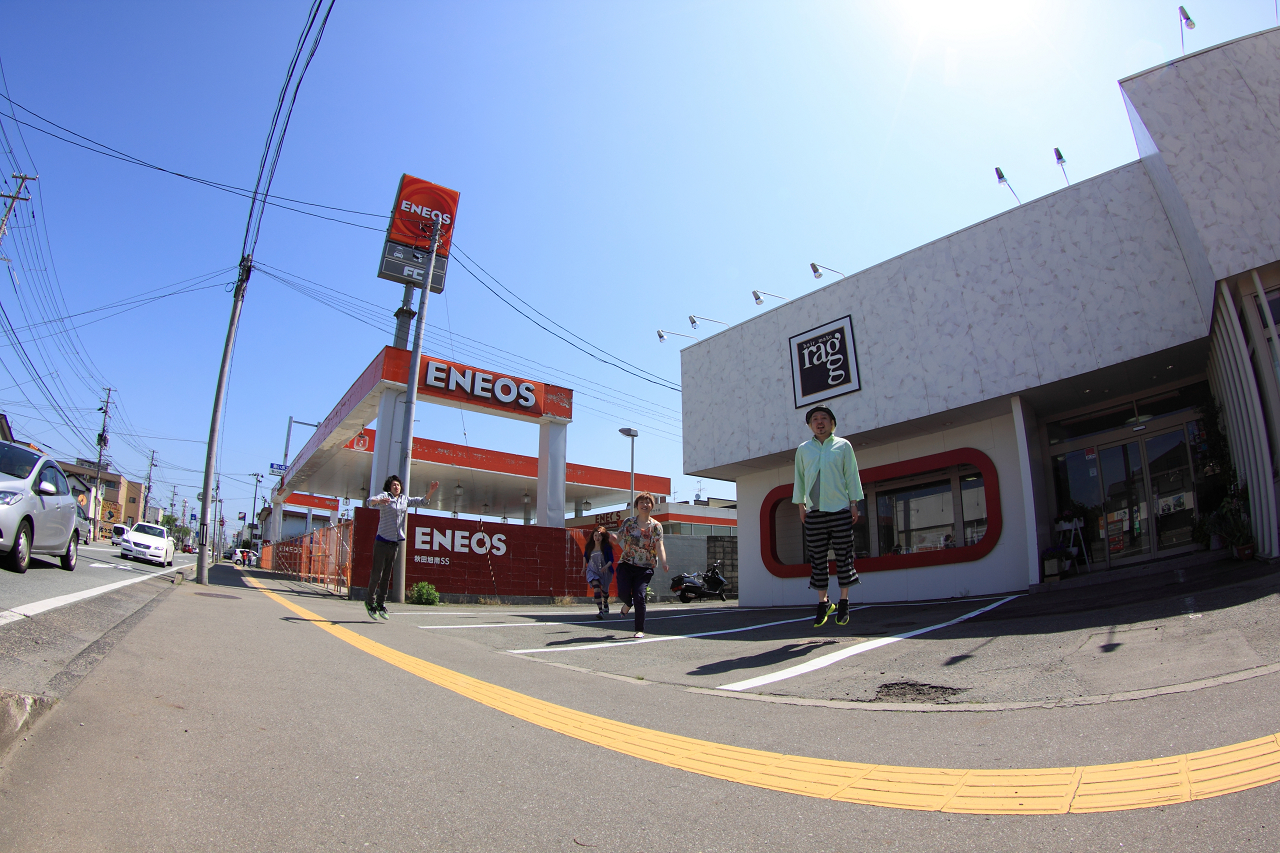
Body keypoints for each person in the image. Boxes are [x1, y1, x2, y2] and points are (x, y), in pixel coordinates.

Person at [792, 405, 864, 628]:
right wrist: (801, 506)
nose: (819, 422)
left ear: (832, 423)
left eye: (824, 418)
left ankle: (844, 601)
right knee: (817, 558)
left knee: (844, 556)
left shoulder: (843, 446)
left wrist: (854, 503)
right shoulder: (803, 449)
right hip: (814, 511)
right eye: (815, 419)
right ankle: (823, 603)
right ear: (810, 425)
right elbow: (799, 479)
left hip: (840, 508)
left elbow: (851, 475)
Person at [365, 474, 440, 619]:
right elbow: (369, 502)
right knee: (376, 575)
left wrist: (431, 491)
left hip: (394, 543)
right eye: (394, 485)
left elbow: (422, 502)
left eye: (398, 485)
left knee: (386, 576)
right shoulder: (385, 496)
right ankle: (370, 602)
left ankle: (380, 603)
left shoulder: (404, 500)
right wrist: (379, 501)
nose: (396, 487)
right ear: (389, 487)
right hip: (381, 541)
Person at [611, 492, 667, 638]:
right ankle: (628, 603)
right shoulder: (629, 523)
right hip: (626, 564)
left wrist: (664, 562)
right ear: (637, 505)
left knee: (640, 596)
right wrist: (612, 537)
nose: (644, 505)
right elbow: (618, 538)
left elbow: (659, 546)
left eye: (648, 502)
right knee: (623, 593)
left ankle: (639, 629)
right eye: (641, 502)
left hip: (645, 568)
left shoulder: (656, 526)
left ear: (652, 506)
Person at [582, 525, 615, 620]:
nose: (597, 538)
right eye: (595, 535)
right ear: (593, 536)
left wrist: (606, 567)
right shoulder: (589, 546)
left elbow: (611, 560)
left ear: (603, 537)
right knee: (596, 588)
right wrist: (583, 568)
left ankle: (605, 601)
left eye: (599, 536)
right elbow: (585, 556)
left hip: (605, 571)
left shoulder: (606, 547)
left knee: (605, 591)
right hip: (593, 570)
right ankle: (600, 610)